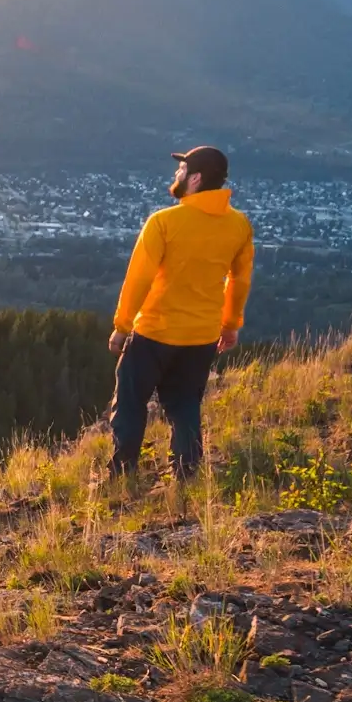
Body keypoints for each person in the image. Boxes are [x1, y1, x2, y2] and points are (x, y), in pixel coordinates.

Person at [107, 145, 253, 481]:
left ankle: (121, 475)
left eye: (182, 170)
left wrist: (121, 326)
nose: (177, 174)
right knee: (185, 406)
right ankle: (186, 476)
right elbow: (240, 281)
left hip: (154, 333)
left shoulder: (164, 222)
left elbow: (139, 278)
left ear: (196, 178)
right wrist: (230, 326)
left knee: (130, 403)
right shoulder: (239, 225)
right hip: (202, 337)